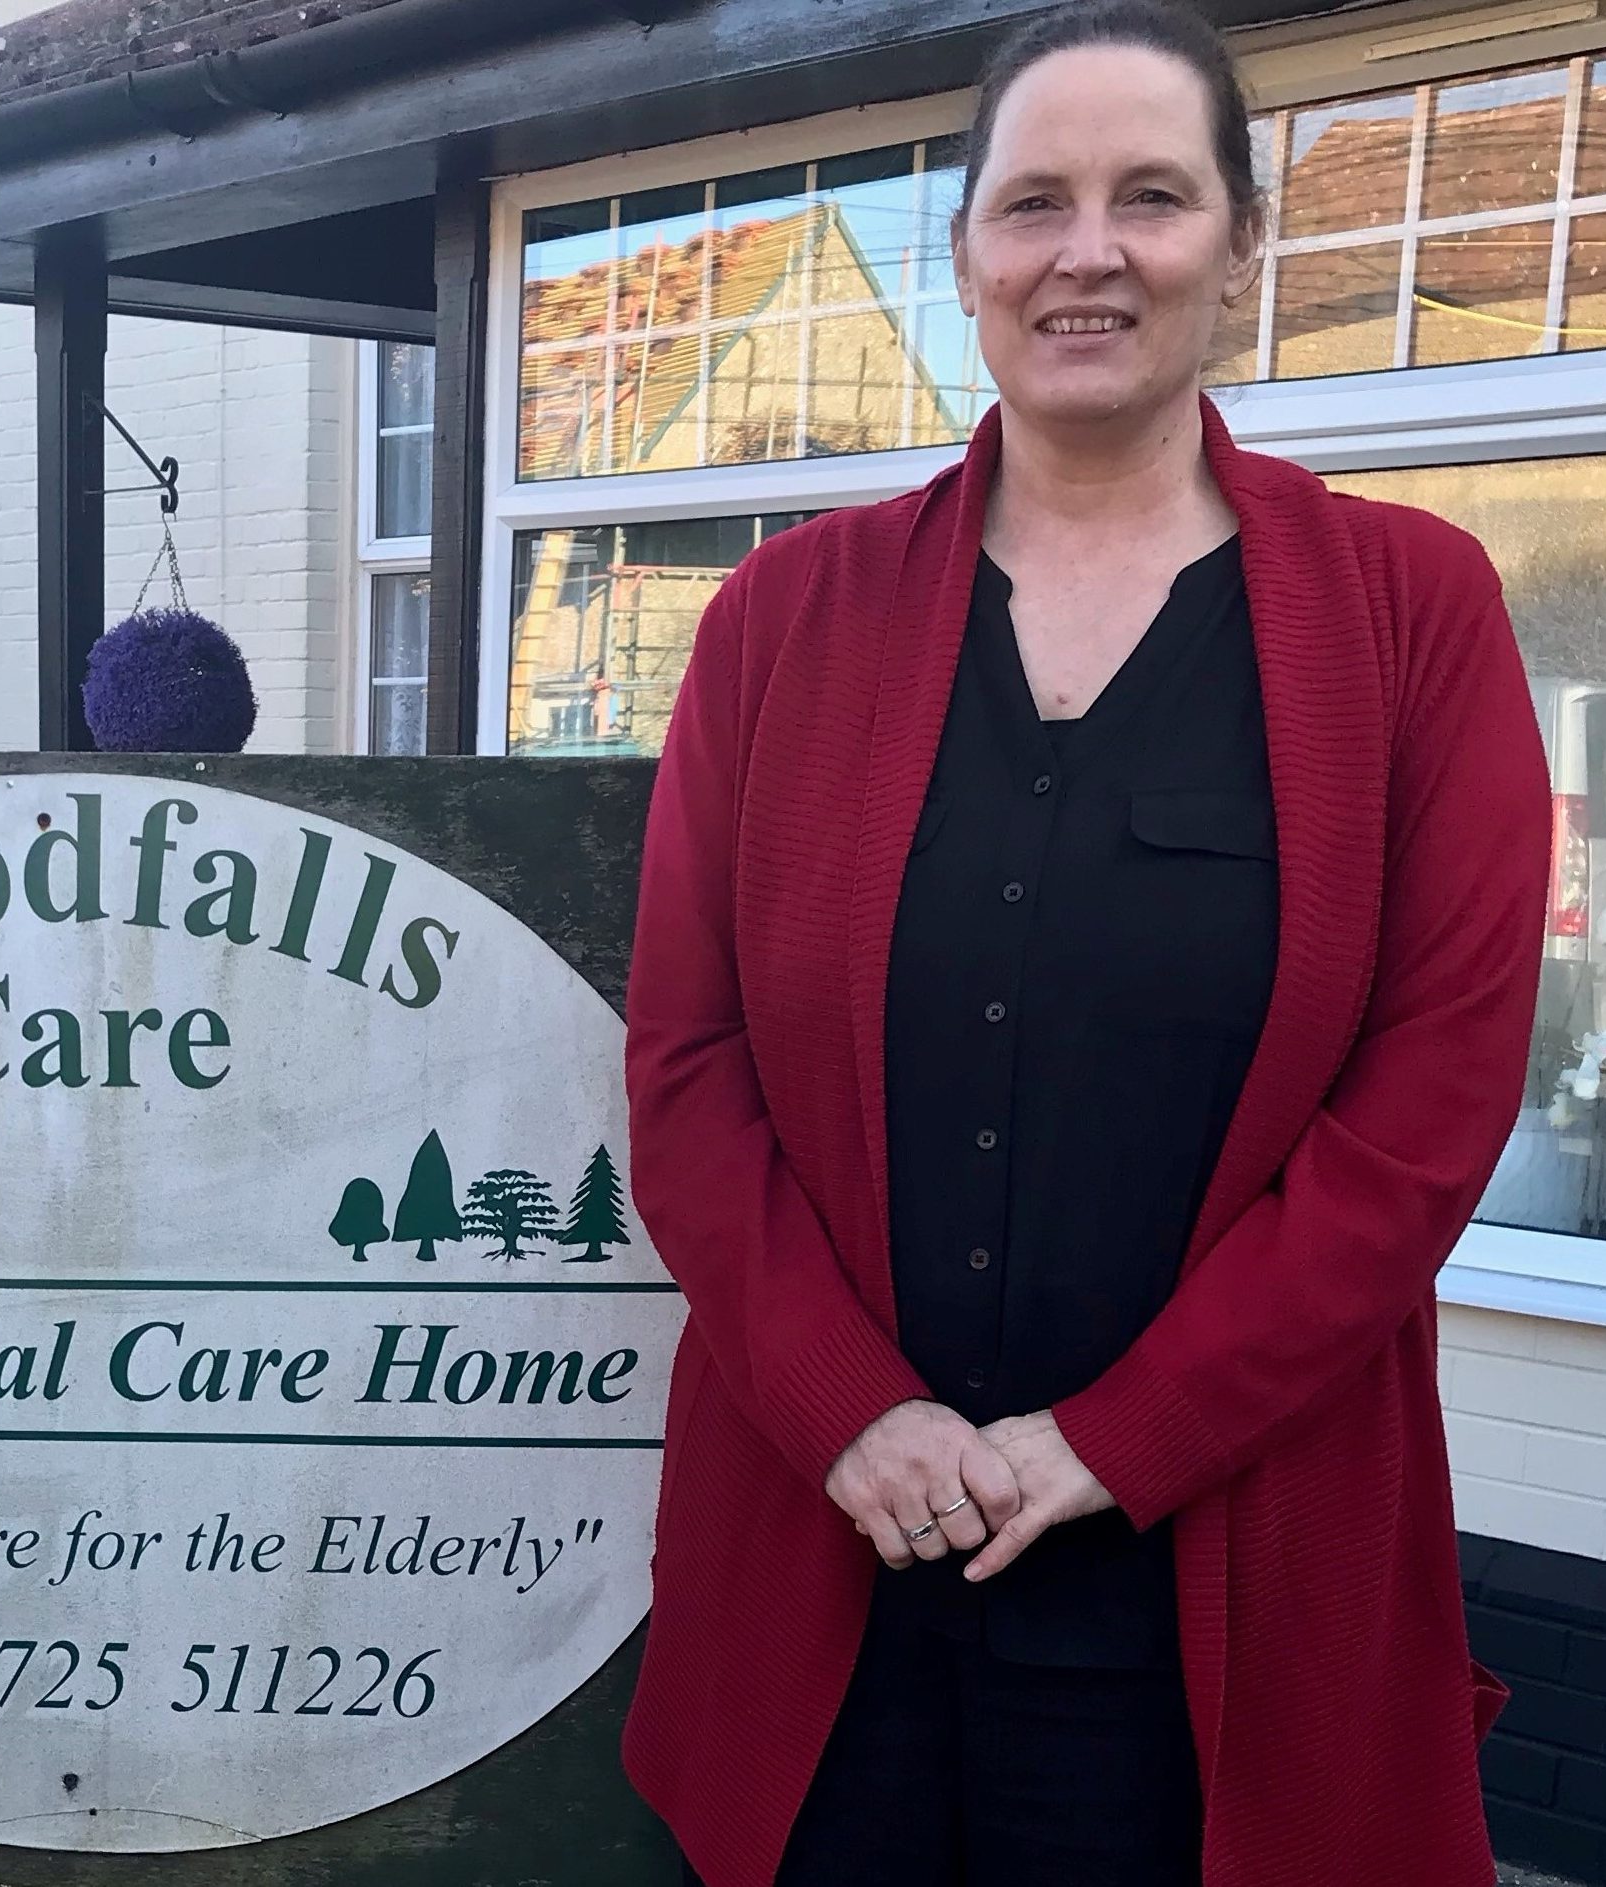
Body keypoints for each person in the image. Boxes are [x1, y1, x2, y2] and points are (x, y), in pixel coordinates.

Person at [616, 4, 1544, 1883]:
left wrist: (1114, 1438)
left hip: (1213, 1567)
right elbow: (686, 1070)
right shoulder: (782, 621)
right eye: (1030, 201)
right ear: (963, 254)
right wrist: (845, 1410)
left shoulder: (1407, 613)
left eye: (1151, 196)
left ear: (1240, 246)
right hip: (833, 1554)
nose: (1086, 251)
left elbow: (1428, 1107)